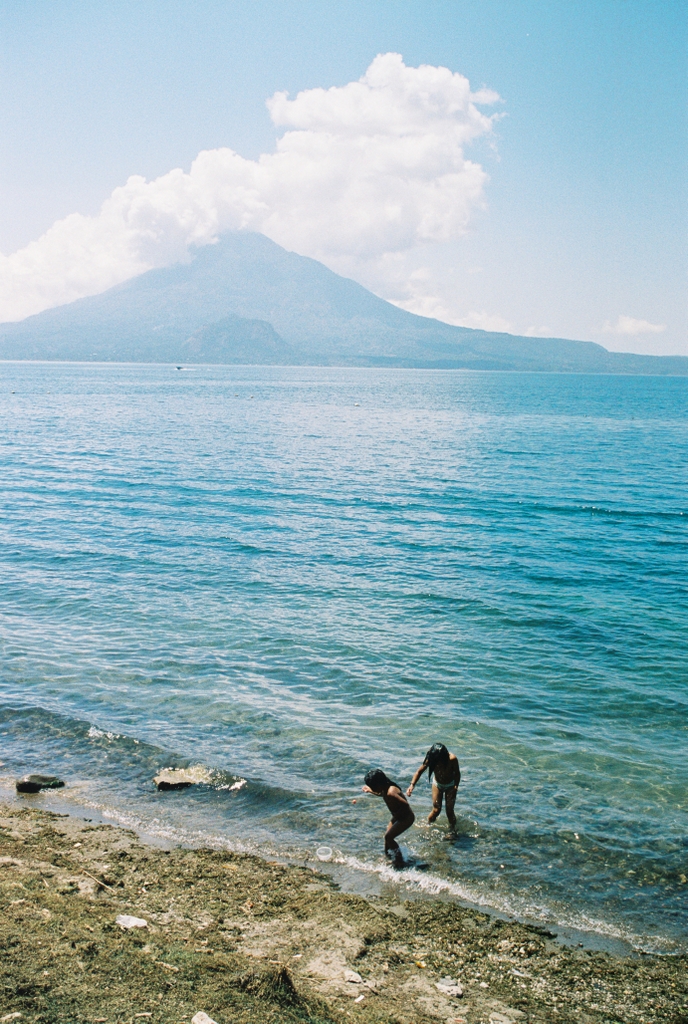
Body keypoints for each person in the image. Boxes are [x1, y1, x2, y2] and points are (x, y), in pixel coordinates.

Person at [362, 768, 415, 862]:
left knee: (389, 837)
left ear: (379, 784)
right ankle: (388, 856)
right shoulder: (385, 788)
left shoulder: (391, 792)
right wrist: (370, 791)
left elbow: (406, 805)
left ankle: (399, 860)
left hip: (406, 817)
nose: (373, 789)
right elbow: (381, 794)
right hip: (398, 816)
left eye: (373, 787)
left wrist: (397, 816)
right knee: (387, 839)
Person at [407, 743, 460, 829]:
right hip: (437, 784)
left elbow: (457, 774)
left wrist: (455, 787)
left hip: (450, 785)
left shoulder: (452, 759)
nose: (438, 764)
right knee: (436, 810)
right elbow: (419, 772)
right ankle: (428, 826)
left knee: (449, 811)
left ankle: (452, 830)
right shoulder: (431, 759)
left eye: (440, 761)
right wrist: (412, 785)